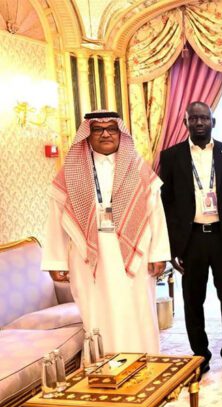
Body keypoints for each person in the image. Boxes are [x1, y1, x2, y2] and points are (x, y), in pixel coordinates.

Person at [41, 110, 170, 354]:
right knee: (97, 314)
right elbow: (56, 218)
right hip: (87, 258)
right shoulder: (71, 171)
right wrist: (56, 261)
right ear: (87, 135)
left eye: (111, 128)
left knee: (138, 312)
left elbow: (157, 213)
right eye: (97, 129)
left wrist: (158, 254)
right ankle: (103, 369)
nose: (105, 134)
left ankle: (146, 364)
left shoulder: (138, 169)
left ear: (121, 133)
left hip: (135, 256)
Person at [159, 102, 222, 378]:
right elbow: (166, 204)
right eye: (193, 118)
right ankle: (200, 357)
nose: (199, 123)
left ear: (213, 122)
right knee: (193, 302)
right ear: (185, 122)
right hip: (191, 240)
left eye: (204, 118)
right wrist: (172, 247)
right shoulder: (170, 156)